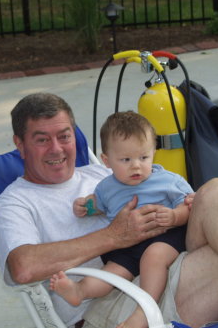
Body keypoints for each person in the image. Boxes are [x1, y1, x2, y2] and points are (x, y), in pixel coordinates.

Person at [0, 92, 218, 328]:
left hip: (167, 259)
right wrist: (113, 236)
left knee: (215, 191)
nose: (57, 149)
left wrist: (185, 209)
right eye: (42, 140)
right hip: (114, 299)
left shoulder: (103, 172)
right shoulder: (16, 201)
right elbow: (23, 268)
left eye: (64, 136)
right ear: (19, 144)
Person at [49, 111, 192, 328]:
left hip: (164, 237)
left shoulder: (168, 181)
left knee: (153, 258)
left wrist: (174, 216)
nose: (136, 166)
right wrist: (85, 206)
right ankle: (80, 291)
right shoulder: (107, 187)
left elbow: (190, 206)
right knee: (112, 271)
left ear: (153, 152)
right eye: (126, 160)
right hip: (128, 244)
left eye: (143, 157)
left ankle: (144, 312)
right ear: (106, 161)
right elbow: (98, 204)